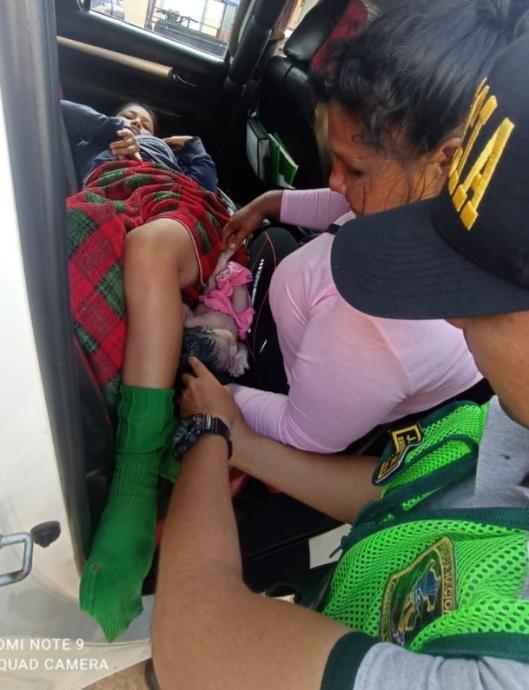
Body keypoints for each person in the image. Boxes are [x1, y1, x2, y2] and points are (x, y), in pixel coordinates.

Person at [152, 34, 529, 689]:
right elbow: (405, 490)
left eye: (476, 296)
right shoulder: (513, 423)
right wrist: (240, 439)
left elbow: (197, 647)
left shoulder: (502, 666)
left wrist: (212, 432)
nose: (451, 315)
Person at [221, 0, 528, 454]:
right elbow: (341, 204)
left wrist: (220, 399)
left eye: (355, 169)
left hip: (284, 386)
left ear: (446, 160)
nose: (334, 181)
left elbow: (303, 435)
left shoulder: (378, 327)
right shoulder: (422, 211)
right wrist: (270, 203)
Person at [61, 99, 218, 192]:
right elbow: (59, 109)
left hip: (162, 200)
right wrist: (116, 129)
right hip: (105, 191)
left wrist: (193, 144)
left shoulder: (163, 154)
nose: (136, 122)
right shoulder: (90, 141)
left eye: (146, 126)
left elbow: (203, 191)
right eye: (128, 117)